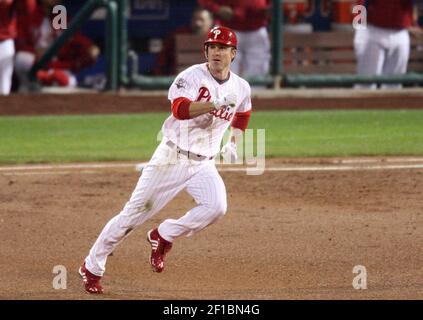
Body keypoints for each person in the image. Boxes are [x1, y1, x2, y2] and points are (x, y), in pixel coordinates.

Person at [79, 26, 252, 294]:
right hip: (171, 158)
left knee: (216, 206)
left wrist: (234, 142)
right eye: (212, 47)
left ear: (233, 53)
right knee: (131, 217)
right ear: (206, 51)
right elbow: (180, 109)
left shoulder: (241, 86)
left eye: (222, 48)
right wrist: (213, 104)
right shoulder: (191, 77)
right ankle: (91, 266)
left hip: (203, 163)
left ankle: (163, 235)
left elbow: (243, 114)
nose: (216, 52)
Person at [14, 0, 100, 91]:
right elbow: (21, 42)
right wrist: (35, 52)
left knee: (69, 81)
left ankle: (45, 78)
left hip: (55, 65)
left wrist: (89, 46)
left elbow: (72, 37)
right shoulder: (31, 12)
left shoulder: (59, 14)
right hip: (35, 63)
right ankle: (37, 82)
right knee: (22, 58)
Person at [354, 0, 423, 89]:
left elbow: (413, 4)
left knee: (394, 85)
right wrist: (359, 28)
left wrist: (412, 24)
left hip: (400, 32)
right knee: (366, 83)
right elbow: (360, 2)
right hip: (372, 30)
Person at [198, 0, 271, 77]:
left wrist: (270, 7)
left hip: (257, 29)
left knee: (258, 74)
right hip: (227, 27)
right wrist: (217, 9)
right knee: (223, 73)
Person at [153, 6, 213, 75]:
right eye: (195, 19)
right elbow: (161, 61)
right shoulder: (177, 35)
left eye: (202, 20)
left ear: (210, 22)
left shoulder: (217, 39)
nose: (197, 24)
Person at [0, 0, 36, 95]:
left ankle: (4, 108)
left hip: (5, 41)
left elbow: (30, 7)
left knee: (4, 84)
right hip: (6, 40)